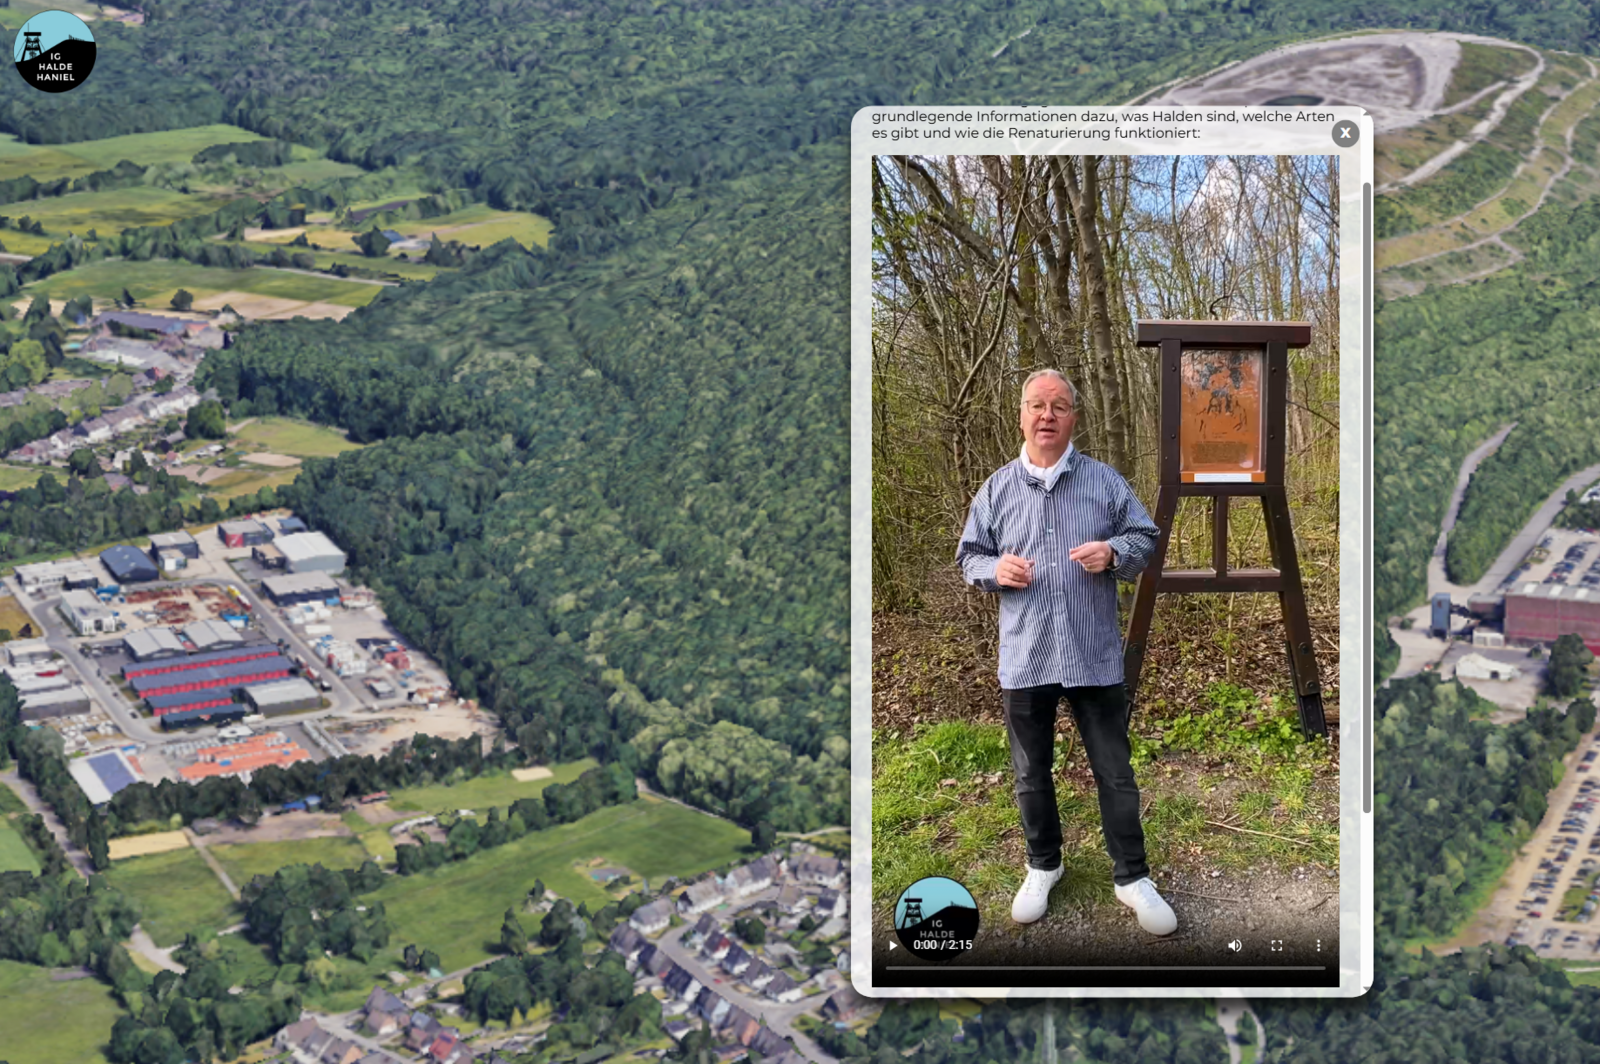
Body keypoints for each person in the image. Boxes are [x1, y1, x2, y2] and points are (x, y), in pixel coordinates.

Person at [955, 368, 1176, 935]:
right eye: (1036, 405)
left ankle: (1132, 877)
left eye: (1058, 405)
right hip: (1026, 657)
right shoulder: (997, 488)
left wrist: (1114, 552)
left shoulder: (1104, 482)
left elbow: (1146, 538)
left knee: (1115, 772)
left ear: (1074, 416)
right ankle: (1043, 865)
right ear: (1022, 416)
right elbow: (968, 557)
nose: (1047, 415)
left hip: (1092, 653)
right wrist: (993, 569)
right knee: (1032, 774)